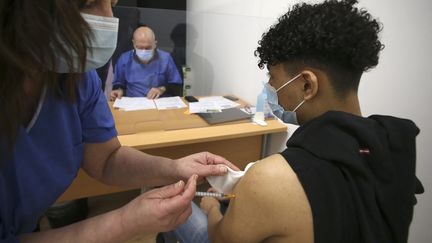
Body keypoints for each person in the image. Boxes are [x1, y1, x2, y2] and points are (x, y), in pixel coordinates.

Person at [174, 0, 424, 242]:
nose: (270, 87)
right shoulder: (394, 150)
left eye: (273, 77)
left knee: (180, 212)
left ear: (307, 85)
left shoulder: (270, 177)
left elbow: (221, 239)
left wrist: (211, 208)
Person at [0, 0, 238, 242]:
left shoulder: (78, 79)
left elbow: (106, 159)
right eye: (90, 3)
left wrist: (174, 168)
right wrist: (126, 221)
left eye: (112, 3)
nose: (108, 18)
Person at [110, 26, 183, 100]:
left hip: (159, 103)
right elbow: (118, 84)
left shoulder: (166, 59)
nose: (144, 51)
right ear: (133, 44)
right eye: (140, 48)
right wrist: (119, 91)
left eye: (148, 48)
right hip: (133, 103)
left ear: (155, 44)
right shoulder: (124, 59)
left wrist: (161, 89)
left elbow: (177, 86)